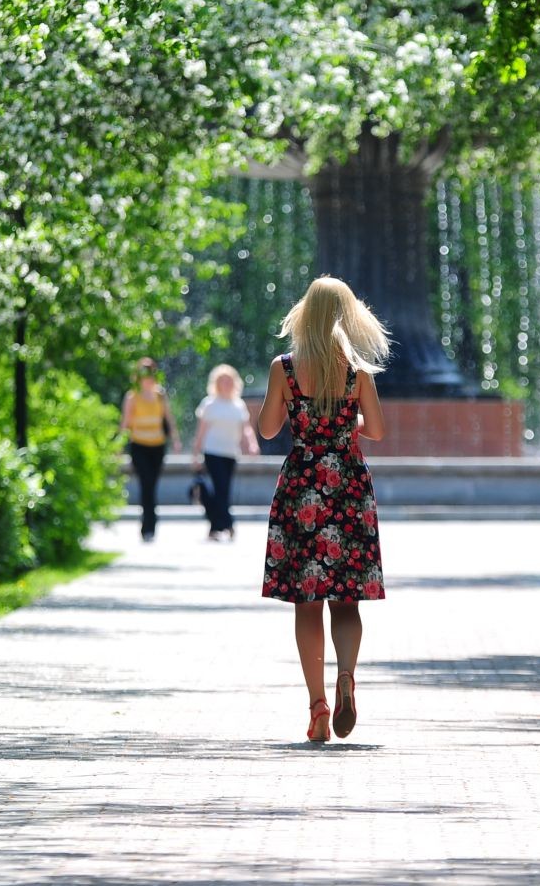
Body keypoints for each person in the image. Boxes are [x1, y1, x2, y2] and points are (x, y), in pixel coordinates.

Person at [257, 276, 389, 743]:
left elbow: (270, 429)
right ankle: (347, 675)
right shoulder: (358, 370)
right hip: (348, 484)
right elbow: (375, 430)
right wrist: (344, 415)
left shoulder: (285, 367)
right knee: (346, 598)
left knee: (307, 602)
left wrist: (300, 411)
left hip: (304, 484)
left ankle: (317, 706)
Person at [192, 364, 259, 542]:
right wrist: (195, 453)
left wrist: (252, 444)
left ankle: (215, 527)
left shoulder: (238, 404)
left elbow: (246, 429)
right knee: (221, 488)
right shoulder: (209, 403)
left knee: (223, 490)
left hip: (230, 453)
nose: (226, 384)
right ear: (216, 383)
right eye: (222, 380)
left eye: (229, 380)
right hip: (212, 451)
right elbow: (201, 431)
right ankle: (229, 524)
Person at [121, 357, 178, 541]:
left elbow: (168, 418)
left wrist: (175, 439)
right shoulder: (132, 396)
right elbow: (126, 422)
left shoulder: (160, 394)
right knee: (146, 484)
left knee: (151, 485)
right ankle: (148, 526)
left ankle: (149, 524)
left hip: (157, 446)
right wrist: (118, 446)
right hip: (139, 445)